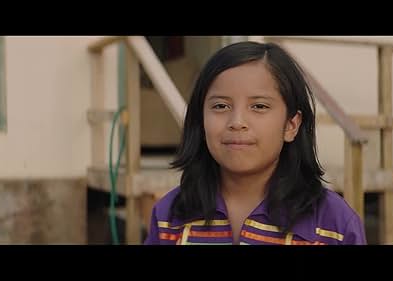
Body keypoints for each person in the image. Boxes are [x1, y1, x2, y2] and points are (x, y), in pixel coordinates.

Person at [144, 41, 366, 245]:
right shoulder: (169, 218)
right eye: (220, 106)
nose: (237, 122)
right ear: (200, 121)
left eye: (259, 106)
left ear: (291, 125)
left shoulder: (333, 225)